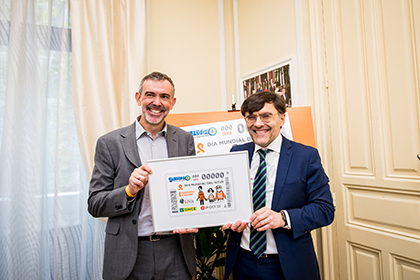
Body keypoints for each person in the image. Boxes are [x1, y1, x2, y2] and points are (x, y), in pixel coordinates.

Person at [88, 71, 197, 280]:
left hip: (176, 251)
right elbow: (95, 204)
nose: (157, 102)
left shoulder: (185, 140)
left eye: (164, 97)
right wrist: (129, 191)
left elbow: (191, 191)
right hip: (130, 252)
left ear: (172, 102)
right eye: (150, 95)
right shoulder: (110, 143)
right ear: (139, 98)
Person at [222, 91, 335, 280]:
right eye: (251, 117)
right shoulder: (237, 152)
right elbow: (229, 199)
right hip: (243, 261)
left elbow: (325, 209)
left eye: (266, 116)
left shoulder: (306, 156)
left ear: (282, 118)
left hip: (288, 264)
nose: (258, 124)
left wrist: (283, 218)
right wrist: (230, 218)